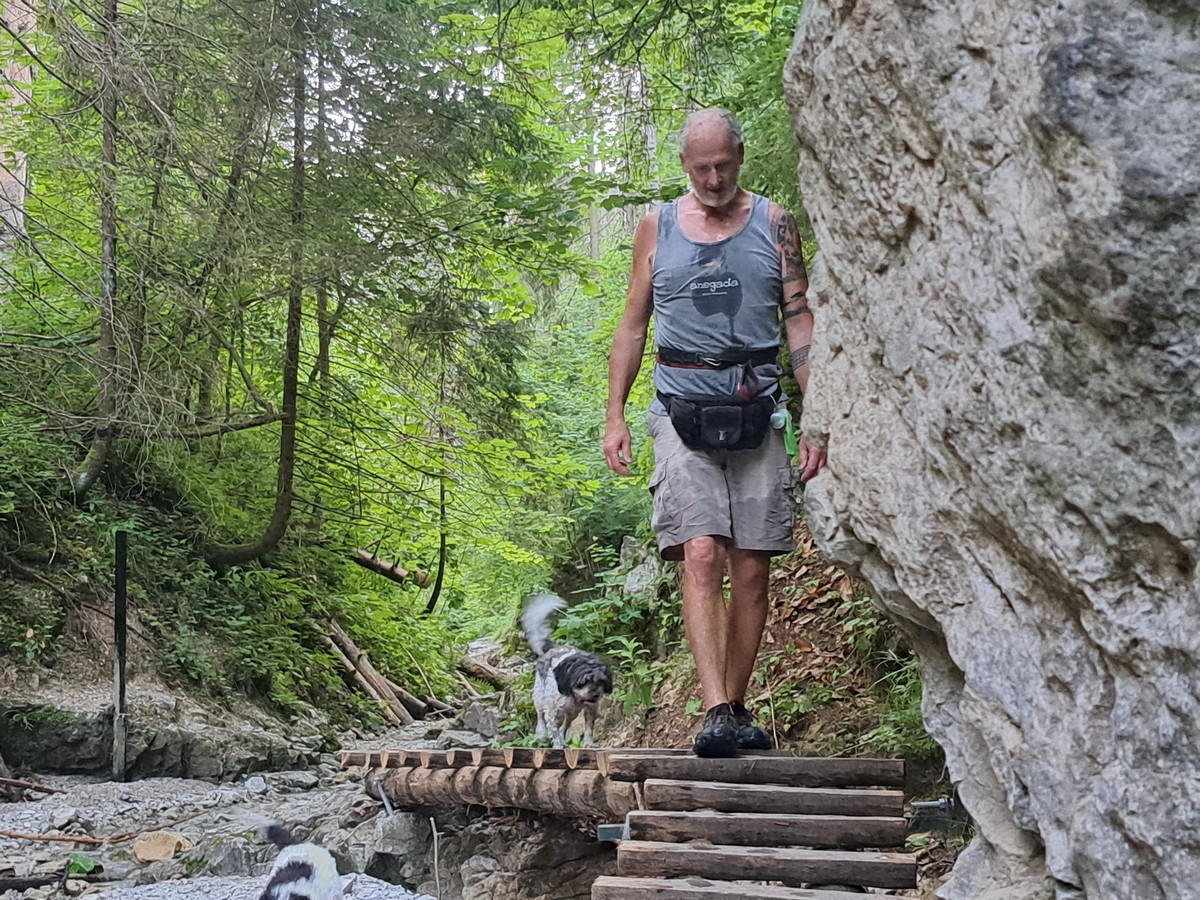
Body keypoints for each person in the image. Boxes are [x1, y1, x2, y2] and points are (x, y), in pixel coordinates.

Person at [603, 107, 827, 758]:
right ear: (685, 166)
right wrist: (615, 415)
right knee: (701, 553)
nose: (713, 178)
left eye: (724, 165)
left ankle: (733, 707)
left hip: (756, 403)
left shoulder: (775, 224)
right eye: (701, 168)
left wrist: (819, 413)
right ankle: (713, 712)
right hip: (679, 407)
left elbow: (799, 320)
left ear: (741, 157)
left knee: (752, 567)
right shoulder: (658, 227)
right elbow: (633, 325)